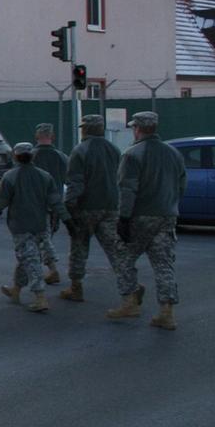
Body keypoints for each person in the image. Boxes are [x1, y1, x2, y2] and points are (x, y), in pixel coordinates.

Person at [106, 112, 187, 329]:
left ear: (137, 129)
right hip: (167, 215)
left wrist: (123, 218)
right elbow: (181, 185)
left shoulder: (133, 154)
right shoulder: (173, 153)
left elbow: (127, 189)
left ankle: (130, 302)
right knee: (163, 264)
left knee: (123, 256)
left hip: (140, 216)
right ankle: (167, 311)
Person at [0, 142, 67, 313]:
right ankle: (16, 290)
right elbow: (55, 201)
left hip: (21, 225)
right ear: (32, 156)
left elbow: (1, 200)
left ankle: (40, 297)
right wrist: (67, 219)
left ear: (15, 156)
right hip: (40, 224)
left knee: (30, 260)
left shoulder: (11, 176)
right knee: (27, 258)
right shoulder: (44, 175)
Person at [59, 114, 122, 303]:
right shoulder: (114, 149)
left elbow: (75, 183)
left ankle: (76, 287)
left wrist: (69, 207)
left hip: (86, 206)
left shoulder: (80, 150)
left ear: (85, 129)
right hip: (110, 205)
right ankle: (129, 284)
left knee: (79, 246)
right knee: (114, 248)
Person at [32, 123, 70, 286]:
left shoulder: (31, 156)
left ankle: (48, 271)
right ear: (52, 137)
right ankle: (49, 269)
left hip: (36, 205)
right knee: (47, 238)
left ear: (36, 136)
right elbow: (69, 180)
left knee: (39, 240)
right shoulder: (62, 157)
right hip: (56, 204)